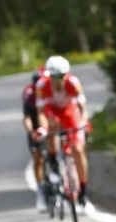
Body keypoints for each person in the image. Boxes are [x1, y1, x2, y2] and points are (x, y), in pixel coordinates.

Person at [32, 55, 92, 213]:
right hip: (51, 111)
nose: (59, 80)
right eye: (55, 77)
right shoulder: (42, 85)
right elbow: (41, 113)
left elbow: (82, 107)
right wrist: (43, 129)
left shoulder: (73, 82)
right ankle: (52, 159)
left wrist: (84, 122)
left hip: (69, 111)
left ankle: (83, 193)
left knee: (78, 150)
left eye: (62, 76)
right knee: (50, 127)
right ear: (49, 75)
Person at [23, 66, 48, 211]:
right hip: (35, 123)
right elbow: (27, 118)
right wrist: (32, 131)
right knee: (37, 157)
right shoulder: (29, 93)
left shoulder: (50, 91)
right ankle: (40, 191)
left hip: (50, 122)